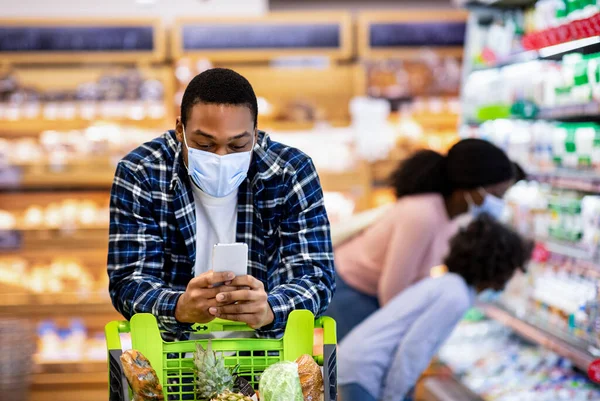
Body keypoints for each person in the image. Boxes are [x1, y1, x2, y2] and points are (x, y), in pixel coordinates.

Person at [107, 68, 335, 338]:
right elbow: (127, 282)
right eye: (204, 144)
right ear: (180, 129)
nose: (220, 157)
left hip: (268, 359)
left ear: (255, 133)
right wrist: (179, 307)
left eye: (238, 146)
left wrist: (271, 309)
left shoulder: (290, 172)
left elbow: (316, 277)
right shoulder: (142, 172)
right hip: (170, 357)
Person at [327, 139, 515, 341]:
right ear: (470, 187)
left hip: (372, 293)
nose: (499, 204)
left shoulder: (454, 217)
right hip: (350, 290)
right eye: (496, 195)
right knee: (353, 366)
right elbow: (392, 290)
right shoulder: (421, 214)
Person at [338, 214, 533, 401]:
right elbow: (412, 351)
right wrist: (393, 397)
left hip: (356, 367)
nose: (507, 281)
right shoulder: (455, 296)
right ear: (496, 267)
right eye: (510, 270)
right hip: (363, 374)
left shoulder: (448, 284)